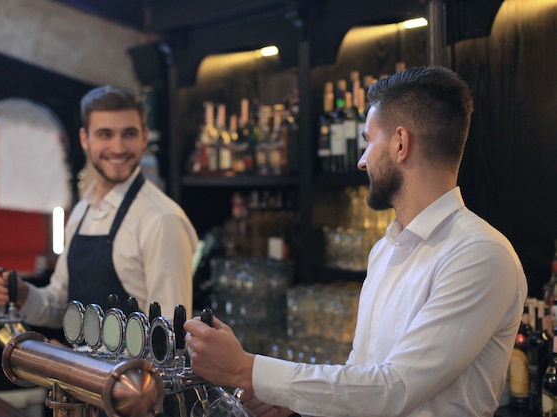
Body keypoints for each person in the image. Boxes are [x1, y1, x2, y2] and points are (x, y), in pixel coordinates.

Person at [184, 66, 528, 416]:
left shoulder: (480, 254)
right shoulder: (385, 249)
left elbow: (395, 389)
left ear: (400, 143)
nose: (362, 162)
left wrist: (247, 369)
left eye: (368, 141)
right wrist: (290, 400)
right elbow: (361, 376)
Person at [0, 85, 198, 327]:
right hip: (78, 366)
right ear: (84, 139)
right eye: (105, 134)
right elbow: (62, 305)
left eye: (129, 134)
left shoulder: (162, 219)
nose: (118, 148)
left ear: (143, 138)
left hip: (126, 367)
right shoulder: (81, 211)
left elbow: (169, 337)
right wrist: (23, 295)